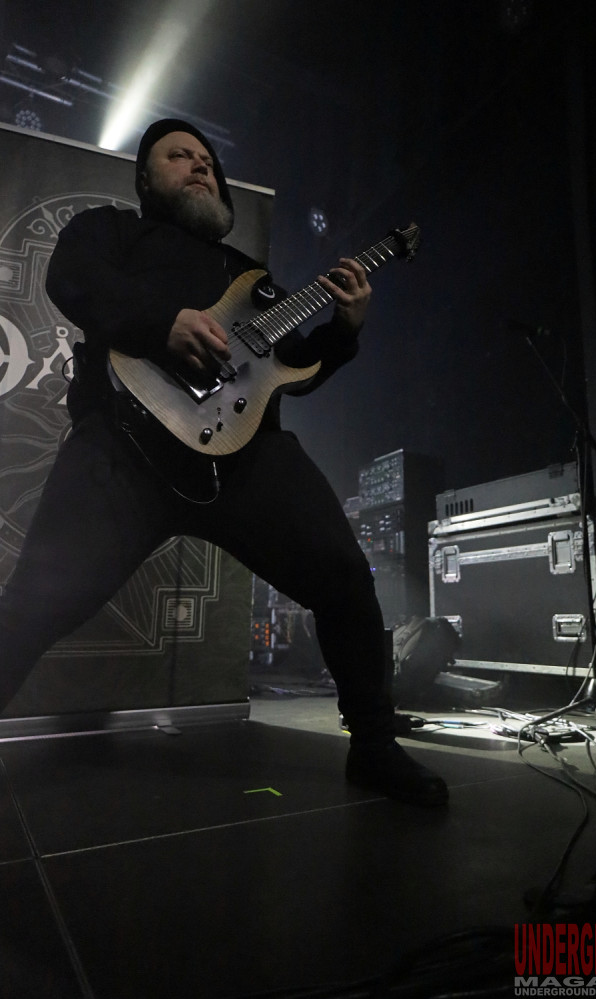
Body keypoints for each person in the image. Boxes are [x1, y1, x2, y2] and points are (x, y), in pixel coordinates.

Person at [0, 119, 448, 807]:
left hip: (245, 455)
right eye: (179, 156)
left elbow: (291, 370)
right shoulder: (111, 229)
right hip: (125, 439)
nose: (200, 166)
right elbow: (71, 277)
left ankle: (374, 746)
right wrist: (162, 322)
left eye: (207, 159)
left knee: (344, 576)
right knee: (36, 600)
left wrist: (343, 332)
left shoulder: (250, 277)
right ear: (145, 179)